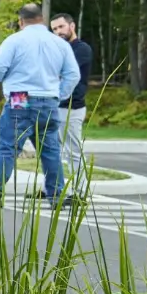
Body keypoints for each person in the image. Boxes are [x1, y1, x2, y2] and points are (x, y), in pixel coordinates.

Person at [0, 3, 80, 208]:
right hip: (48, 99)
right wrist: (58, 95)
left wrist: (6, 79)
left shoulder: (14, 41)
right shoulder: (59, 44)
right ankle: (56, 196)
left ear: (21, 21)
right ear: (42, 19)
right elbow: (73, 74)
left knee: (8, 148)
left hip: (20, 96)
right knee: (50, 150)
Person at [50, 13, 92, 180]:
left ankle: (80, 190)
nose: (58, 31)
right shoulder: (57, 50)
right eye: (54, 29)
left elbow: (61, 73)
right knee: (52, 151)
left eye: (61, 27)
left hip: (71, 108)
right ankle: (51, 188)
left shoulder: (81, 49)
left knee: (73, 152)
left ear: (72, 26)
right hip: (55, 106)